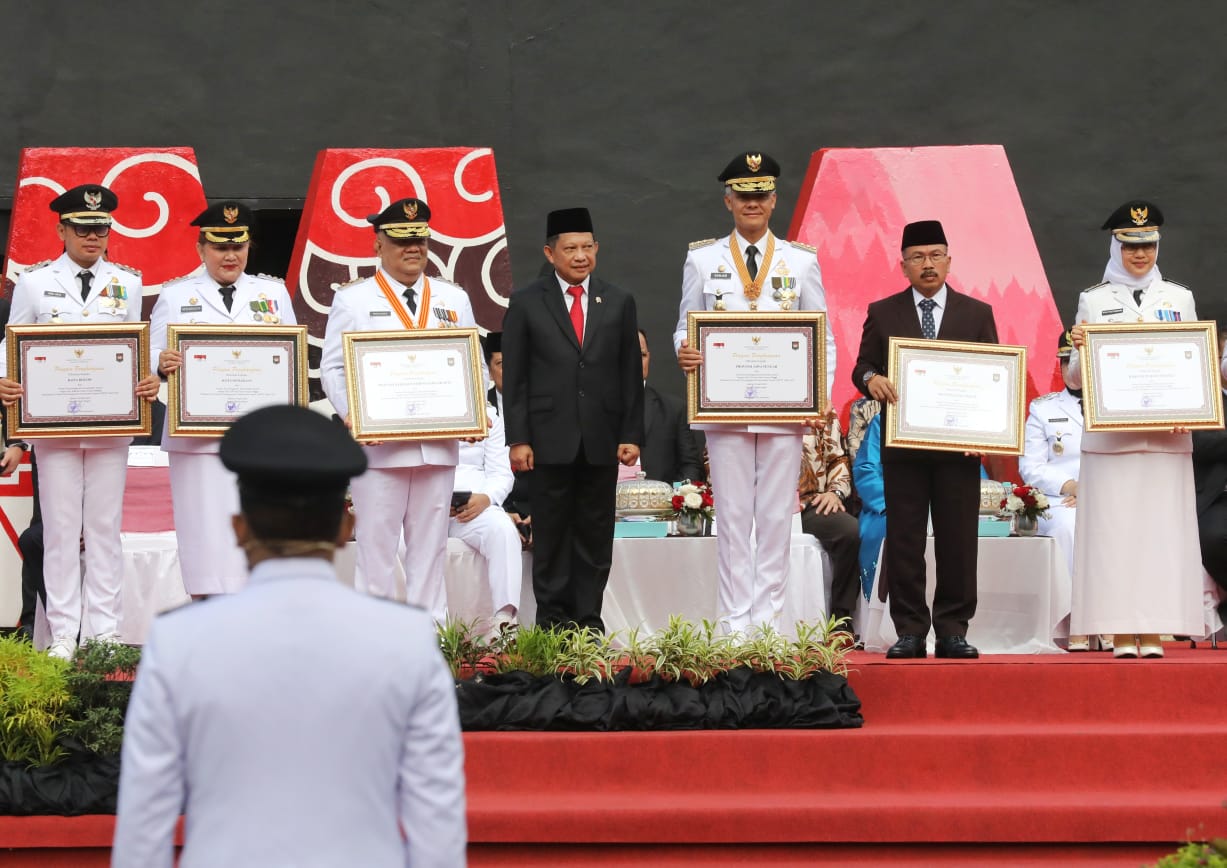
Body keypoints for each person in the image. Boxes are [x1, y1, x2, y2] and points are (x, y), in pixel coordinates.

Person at [111, 405, 466, 867]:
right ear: (345, 529)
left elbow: (144, 822)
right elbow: (436, 822)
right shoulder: (407, 640)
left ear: (239, 529)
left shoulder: (179, 642)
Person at [674, 151, 836, 634]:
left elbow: (822, 335)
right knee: (732, 517)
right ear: (728, 201)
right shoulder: (702, 259)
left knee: (774, 521)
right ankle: (732, 625)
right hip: (724, 409)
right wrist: (685, 349)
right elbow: (685, 326)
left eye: (760, 195)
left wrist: (818, 397)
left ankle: (767, 624)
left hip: (785, 410)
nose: (752, 203)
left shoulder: (800, 261)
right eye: (743, 195)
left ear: (773, 200)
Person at [0, 185, 160, 658]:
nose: (94, 236)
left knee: (106, 528)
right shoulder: (34, 283)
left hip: (111, 423)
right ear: (62, 229)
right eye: (84, 228)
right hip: (53, 427)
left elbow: (137, 346)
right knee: (62, 531)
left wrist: (148, 378)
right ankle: (66, 632)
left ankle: (104, 631)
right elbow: (11, 346)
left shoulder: (128, 282)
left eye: (101, 228)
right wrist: (4, 384)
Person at [320, 198, 478, 620]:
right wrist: (352, 413)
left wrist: (475, 412)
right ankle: (376, 636)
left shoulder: (452, 298)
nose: (413, 248)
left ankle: (431, 638)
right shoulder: (354, 300)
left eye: (420, 240)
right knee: (377, 547)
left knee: (431, 548)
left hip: (437, 445)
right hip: (380, 447)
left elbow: (472, 364)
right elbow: (332, 368)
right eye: (401, 240)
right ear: (378, 244)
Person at [851, 219, 998, 659]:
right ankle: (910, 630)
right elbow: (862, 366)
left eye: (935, 255)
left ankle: (953, 629)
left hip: (959, 448)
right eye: (917, 257)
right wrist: (872, 378)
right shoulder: (883, 311)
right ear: (903, 266)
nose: (927, 264)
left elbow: (994, 378)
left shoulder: (977, 313)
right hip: (904, 446)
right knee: (905, 541)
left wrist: (987, 433)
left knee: (958, 539)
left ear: (949, 260)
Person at [1067, 201, 1204, 658]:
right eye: (1130, 246)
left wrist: (1194, 406)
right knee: (1113, 534)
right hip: (1110, 441)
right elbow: (1073, 381)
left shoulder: (1179, 298)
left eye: (1147, 245)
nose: (1140, 254)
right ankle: (1119, 628)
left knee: (1160, 534)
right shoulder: (1095, 300)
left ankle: (1155, 630)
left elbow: (1194, 366)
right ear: (1115, 246)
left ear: (1157, 245)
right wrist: (1080, 349)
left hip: (1166, 438)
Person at [502, 207, 643, 631]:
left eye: (587, 247)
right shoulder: (526, 301)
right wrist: (519, 438)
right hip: (547, 439)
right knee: (553, 534)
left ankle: (588, 621)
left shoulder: (618, 301)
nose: (580, 256)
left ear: (596, 248)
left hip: (601, 439)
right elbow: (517, 377)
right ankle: (553, 622)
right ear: (550, 253)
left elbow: (629, 374)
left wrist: (631, 434)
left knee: (595, 535)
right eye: (570, 249)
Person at [150, 201, 297, 598]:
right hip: (195, 436)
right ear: (201, 249)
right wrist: (161, 363)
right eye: (219, 247)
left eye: (238, 246)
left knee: (255, 525)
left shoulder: (273, 292)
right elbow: (146, 357)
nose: (230, 256)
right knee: (203, 530)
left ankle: (255, 615)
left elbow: (291, 359)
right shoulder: (176, 295)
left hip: (257, 438)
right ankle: (206, 612)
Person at [1018, 330, 1102, 651]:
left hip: (1106, 495)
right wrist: (1072, 486)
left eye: (1077, 360)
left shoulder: (1111, 404)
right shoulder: (1043, 409)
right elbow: (1031, 468)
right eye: (1066, 360)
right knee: (1069, 526)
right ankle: (1075, 621)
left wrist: (1093, 489)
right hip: (1059, 500)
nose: (1071, 368)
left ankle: (1107, 619)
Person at [450, 404, 521, 633]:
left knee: (503, 529)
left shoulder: (487, 414)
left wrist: (486, 498)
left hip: (474, 507)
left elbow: (501, 473)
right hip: (421, 506)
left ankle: (504, 620)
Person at [797, 407, 861, 639]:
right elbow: (713, 458)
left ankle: (840, 619)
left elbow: (838, 459)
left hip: (808, 503)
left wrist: (835, 492)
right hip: (753, 507)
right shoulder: (742, 401)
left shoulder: (820, 407)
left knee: (850, 531)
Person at [637, 328, 703, 483]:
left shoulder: (673, 409)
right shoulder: (591, 408)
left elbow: (690, 467)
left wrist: (673, 497)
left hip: (658, 504)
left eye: (641, 355)